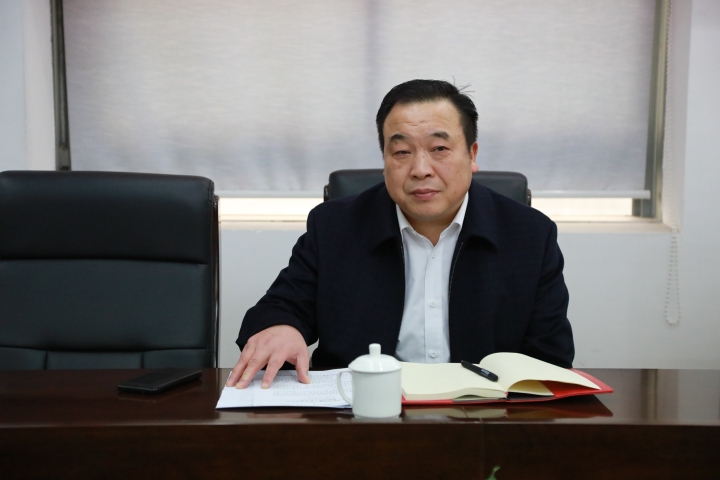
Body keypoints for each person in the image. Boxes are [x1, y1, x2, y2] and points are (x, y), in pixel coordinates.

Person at [227, 79, 574, 390]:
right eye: (402, 152)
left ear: (471, 154)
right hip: (362, 416)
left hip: (483, 419)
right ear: (385, 159)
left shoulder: (529, 234)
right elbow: (282, 306)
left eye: (439, 149)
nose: (421, 169)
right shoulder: (335, 226)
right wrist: (282, 327)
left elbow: (550, 357)